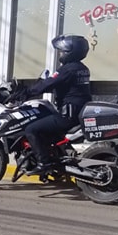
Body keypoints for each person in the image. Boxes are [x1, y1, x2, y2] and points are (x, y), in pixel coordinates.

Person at [22, 34, 91, 174]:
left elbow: (48, 83)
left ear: (69, 52)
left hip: (67, 115)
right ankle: (55, 157)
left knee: (31, 130)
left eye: (62, 51)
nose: (60, 53)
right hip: (78, 111)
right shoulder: (82, 68)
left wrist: (24, 92)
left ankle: (44, 163)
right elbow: (57, 85)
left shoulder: (67, 69)